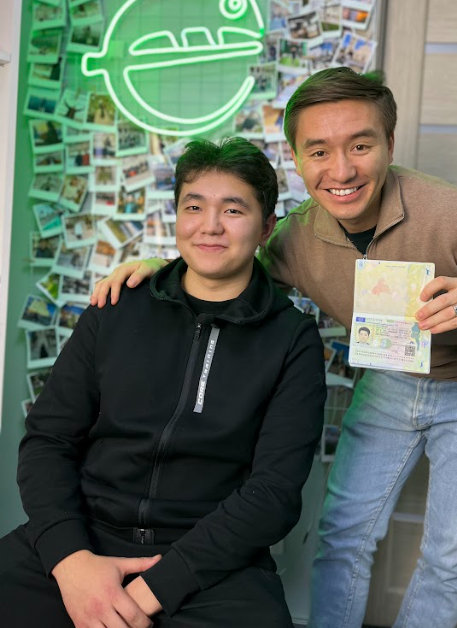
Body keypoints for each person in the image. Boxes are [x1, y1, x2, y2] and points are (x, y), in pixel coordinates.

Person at [91, 68, 457, 628]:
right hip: (389, 381)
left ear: (389, 144)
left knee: (449, 557)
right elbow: (231, 266)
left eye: (360, 146)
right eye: (319, 152)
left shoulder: (456, 214)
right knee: (342, 538)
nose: (341, 171)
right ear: (296, 159)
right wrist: (162, 269)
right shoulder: (295, 237)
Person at [0, 137, 326, 628]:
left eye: (233, 210)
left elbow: (273, 493)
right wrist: (70, 561)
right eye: (194, 207)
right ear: (176, 216)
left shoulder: (292, 339)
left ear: (266, 228)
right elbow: (48, 440)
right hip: (84, 538)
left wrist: (152, 590)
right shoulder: (116, 307)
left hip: (210, 562)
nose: (210, 225)